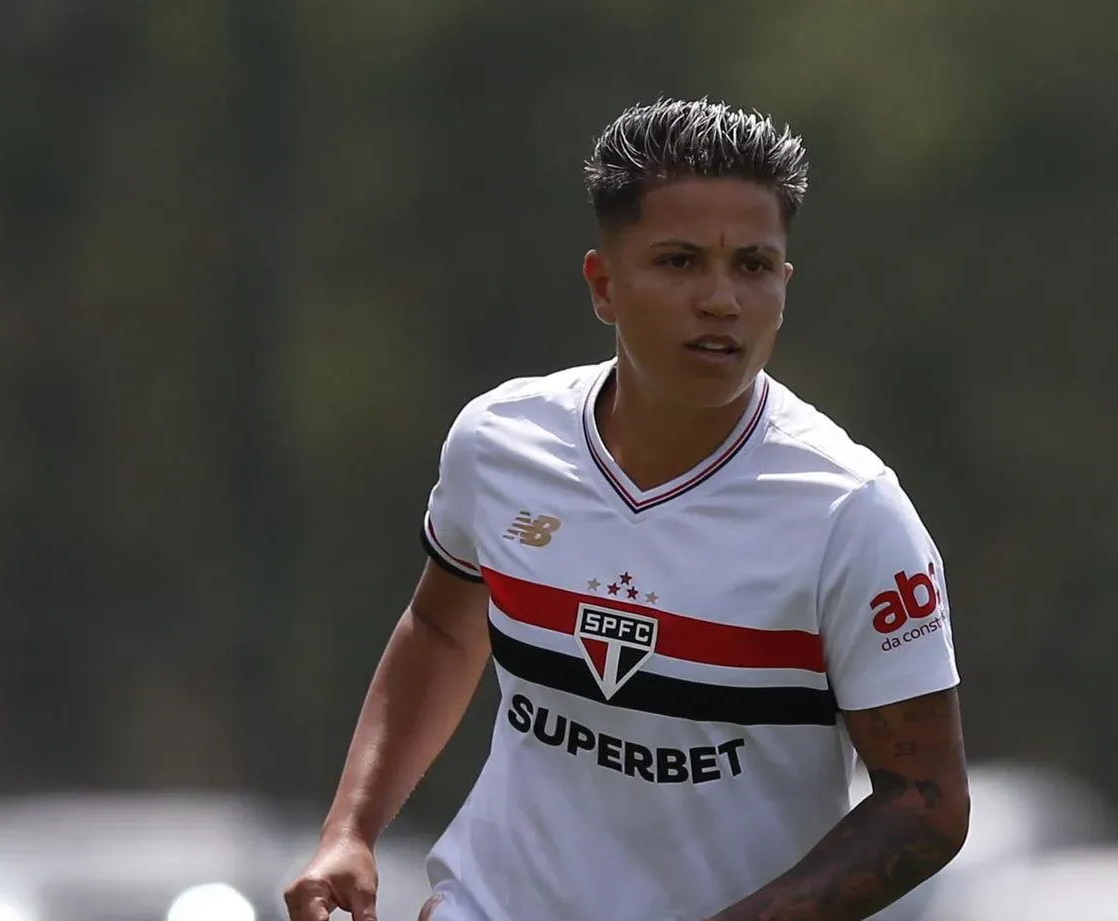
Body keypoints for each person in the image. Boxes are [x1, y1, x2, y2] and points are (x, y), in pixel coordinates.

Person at [284, 97, 969, 921]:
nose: (722, 299)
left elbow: (927, 802)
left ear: (784, 284)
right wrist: (351, 829)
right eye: (680, 262)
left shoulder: (853, 515)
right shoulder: (499, 442)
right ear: (603, 286)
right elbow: (441, 627)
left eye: (752, 265)